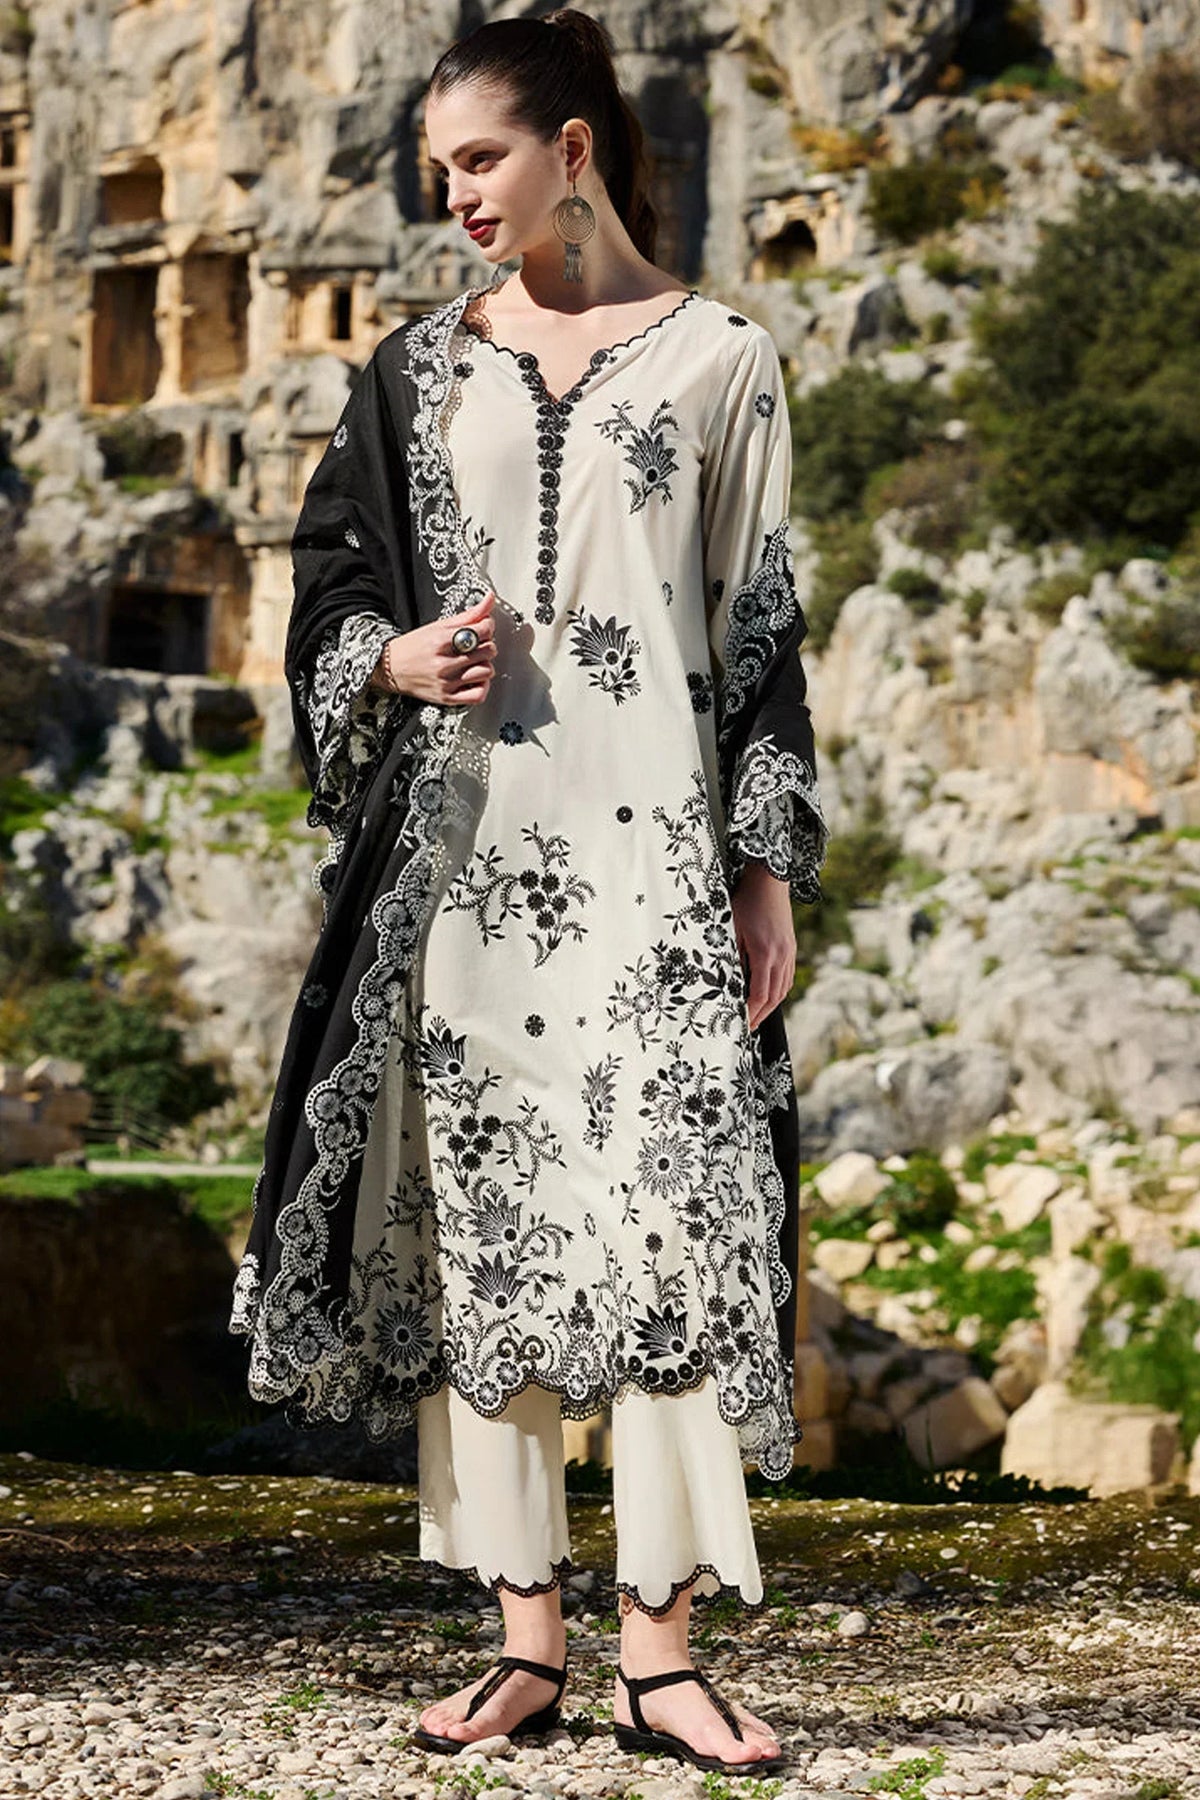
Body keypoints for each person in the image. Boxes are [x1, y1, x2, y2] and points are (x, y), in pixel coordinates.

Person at [228, 6, 828, 1777]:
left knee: (669, 1228)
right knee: (486, 1235)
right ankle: (525, 1646)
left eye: (479, 158)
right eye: (438, 172)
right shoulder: (414, 371)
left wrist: (766, 866)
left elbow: (761, 628)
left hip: (656, 869)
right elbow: (331, 582)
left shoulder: (724, 358)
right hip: (468, 875)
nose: (457, 197)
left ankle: (664, 1660)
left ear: (575, 148)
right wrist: (389, 657)